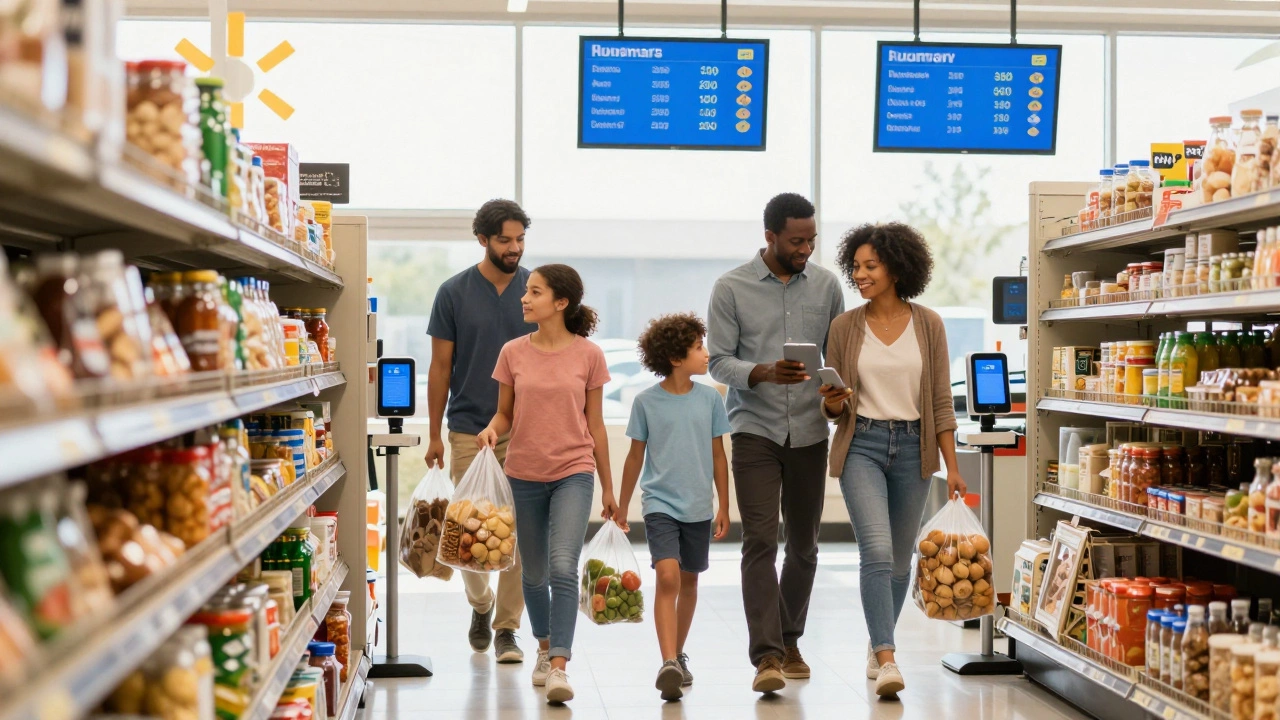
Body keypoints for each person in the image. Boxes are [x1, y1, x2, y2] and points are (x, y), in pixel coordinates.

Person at [819, 222, 967, 698]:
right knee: (877, 551)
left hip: (913, 448)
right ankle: (887, 655)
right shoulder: (844, 327)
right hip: (860, 442)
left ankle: (876, 639)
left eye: (870, 266)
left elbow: (941, 401)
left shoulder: (929, 324)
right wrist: (834, 399)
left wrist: (953, 465)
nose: (859, 275)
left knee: (901, 560)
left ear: (897, 268)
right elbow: (831, 410)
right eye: (855, 267)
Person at [707, 192, 845, 694]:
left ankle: (790, 639)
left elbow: (837, 355)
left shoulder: (828, 286)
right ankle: (766, 656)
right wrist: (763, 371)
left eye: (811, 239)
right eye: (796, 240)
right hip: (754, 431)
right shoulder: (731, 287)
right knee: (761, 540)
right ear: (770, 237)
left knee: (805, 545)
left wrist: (834, 389)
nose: (806, 248)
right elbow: (718, 361)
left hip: (810, 430)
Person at [477, 263, 618, 705]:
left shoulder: (589, 355)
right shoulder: (512, 352)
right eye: (526, 291)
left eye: (534, 292)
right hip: (522, 473)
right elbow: (505, 413)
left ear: (561, 303)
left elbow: (595, 424)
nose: (524, 298)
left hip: (575, 471)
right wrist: (491, 429)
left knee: (562, 567)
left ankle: (559, 664)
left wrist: (610, 489)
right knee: (534, 576)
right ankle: (542, 647)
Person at [424, 199, 535, 663]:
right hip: (470, 427)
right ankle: (481, 604)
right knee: (467, 527)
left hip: (530, 429)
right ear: (483, 240)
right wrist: (433, 433)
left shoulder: (537, 289)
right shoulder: (454, 292)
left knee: (520, 532)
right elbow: (441, 366)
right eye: (505, 240)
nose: (514, 248)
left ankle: (508, 627)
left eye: (520, 240)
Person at [615, 313, 731, 702]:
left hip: (699, 506)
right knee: (668, 578)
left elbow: (718, 456)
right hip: (659, 503)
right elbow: (634, 459)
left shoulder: (711, 398)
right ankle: (667, 661)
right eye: (699, 346)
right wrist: (621, 503)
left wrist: (724, 506)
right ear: (676, 357)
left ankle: (678, 656)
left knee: (690, 581)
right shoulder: (646, 402)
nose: (706, 352)